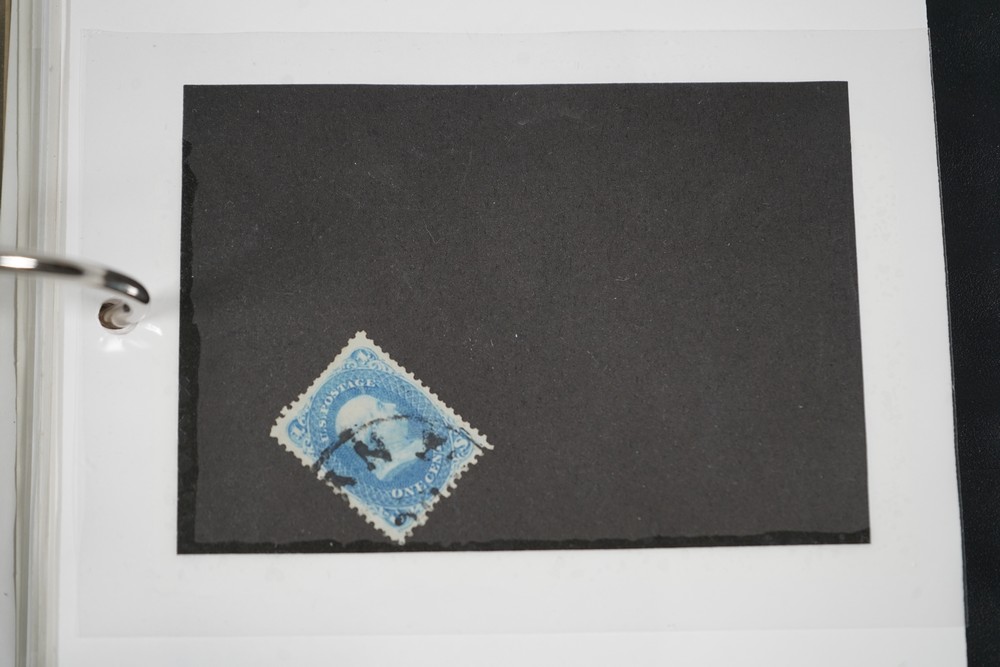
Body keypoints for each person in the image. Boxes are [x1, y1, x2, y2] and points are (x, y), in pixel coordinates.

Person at [335, 394, 425, 481]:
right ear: (374, 434)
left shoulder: (418, 446)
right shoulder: (412, 454)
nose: (392, 405)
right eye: (381, 407)